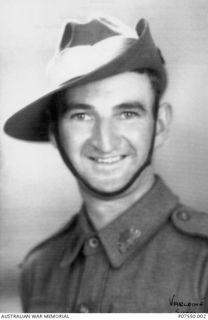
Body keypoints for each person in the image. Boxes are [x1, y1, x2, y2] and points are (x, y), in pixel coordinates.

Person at [4, 15, 208, 313]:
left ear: (160, 126)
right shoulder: (39, 270)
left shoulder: (202, 259)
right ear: (54, 133)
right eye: (81, 116)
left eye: (127, 113)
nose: (105, 141)